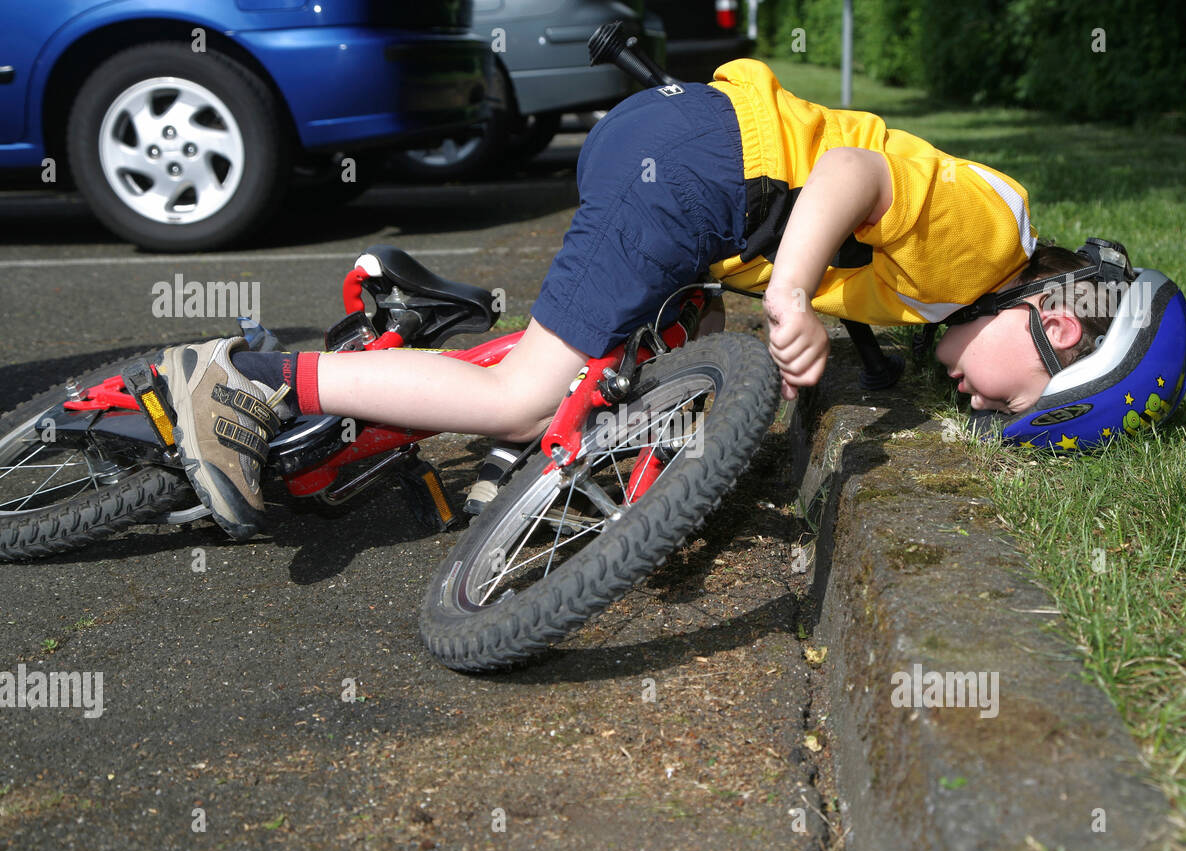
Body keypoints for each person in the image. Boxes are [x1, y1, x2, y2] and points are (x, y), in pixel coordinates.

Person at [156, 59, 1117, 541]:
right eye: (1020, 397)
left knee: (650, 339)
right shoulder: (994, 241)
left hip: (690, 150)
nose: (987, 408)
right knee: (526, 396)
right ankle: (248, 379)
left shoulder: (969, 290)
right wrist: (792, 293)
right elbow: (855, 174)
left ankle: (410, 338)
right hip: (706, 176)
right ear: (1057, 323)